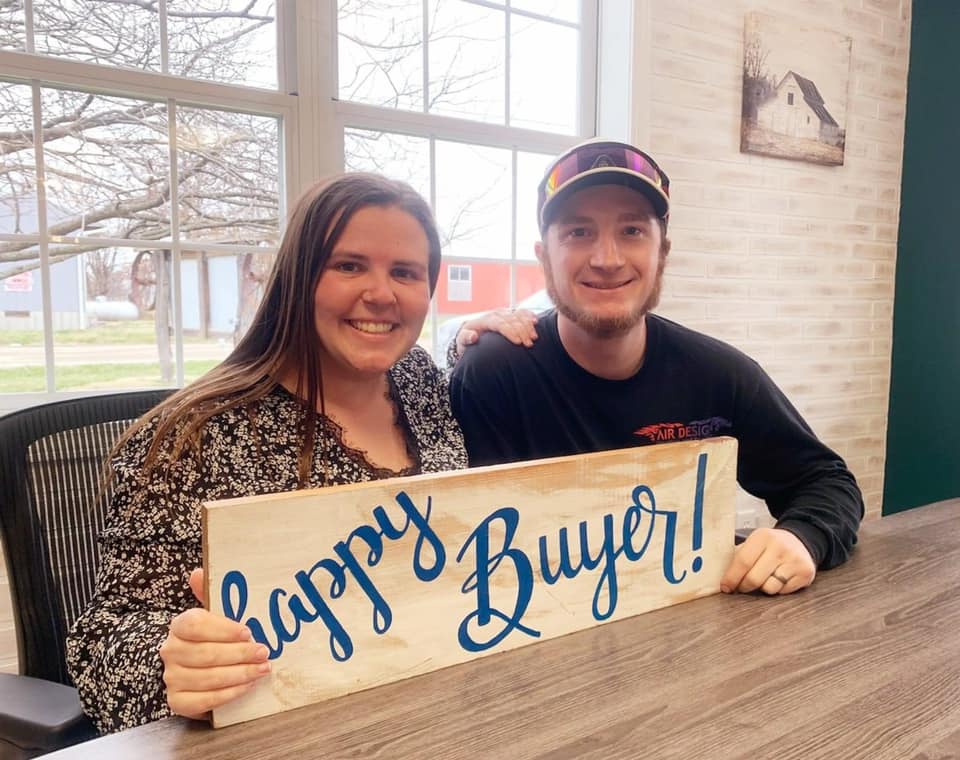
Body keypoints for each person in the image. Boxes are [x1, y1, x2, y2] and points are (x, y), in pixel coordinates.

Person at [65, 173, 528, 734]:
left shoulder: (420, 382)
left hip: (427, 715)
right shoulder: (194, 437)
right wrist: (171, 670)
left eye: (405, 272)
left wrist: (469, 337)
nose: (381, 293)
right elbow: (103, 640)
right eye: (349, 265)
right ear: (298, 279)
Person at [449, 139, 864, 598]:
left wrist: (801, 537)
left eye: (632, 231)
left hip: (699, 636)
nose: (607, 259)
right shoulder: (493, 377)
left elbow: (827, 481)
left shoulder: (721, 376)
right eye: (578, 233)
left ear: (662, 252)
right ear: (543, 255)